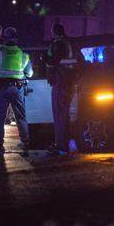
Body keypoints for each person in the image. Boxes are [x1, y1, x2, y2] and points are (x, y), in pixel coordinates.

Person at [0, 26, 33, 156]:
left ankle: (0, 147)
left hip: (1, 88)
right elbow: (30, 73)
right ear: (16, 39)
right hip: (17, 88)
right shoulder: (23, 55)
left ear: (5, 39)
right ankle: (25, 143)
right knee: (20, 117)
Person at [45, 22, 78, 154]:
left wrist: (50, 78)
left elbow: (51, 63)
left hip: (61, 83)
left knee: (59, 115)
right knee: (65, 115)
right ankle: (64, 144)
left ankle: (60, 146)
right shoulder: (72, 44)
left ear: (54, 32)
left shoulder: (57, 45)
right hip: (70, 83)